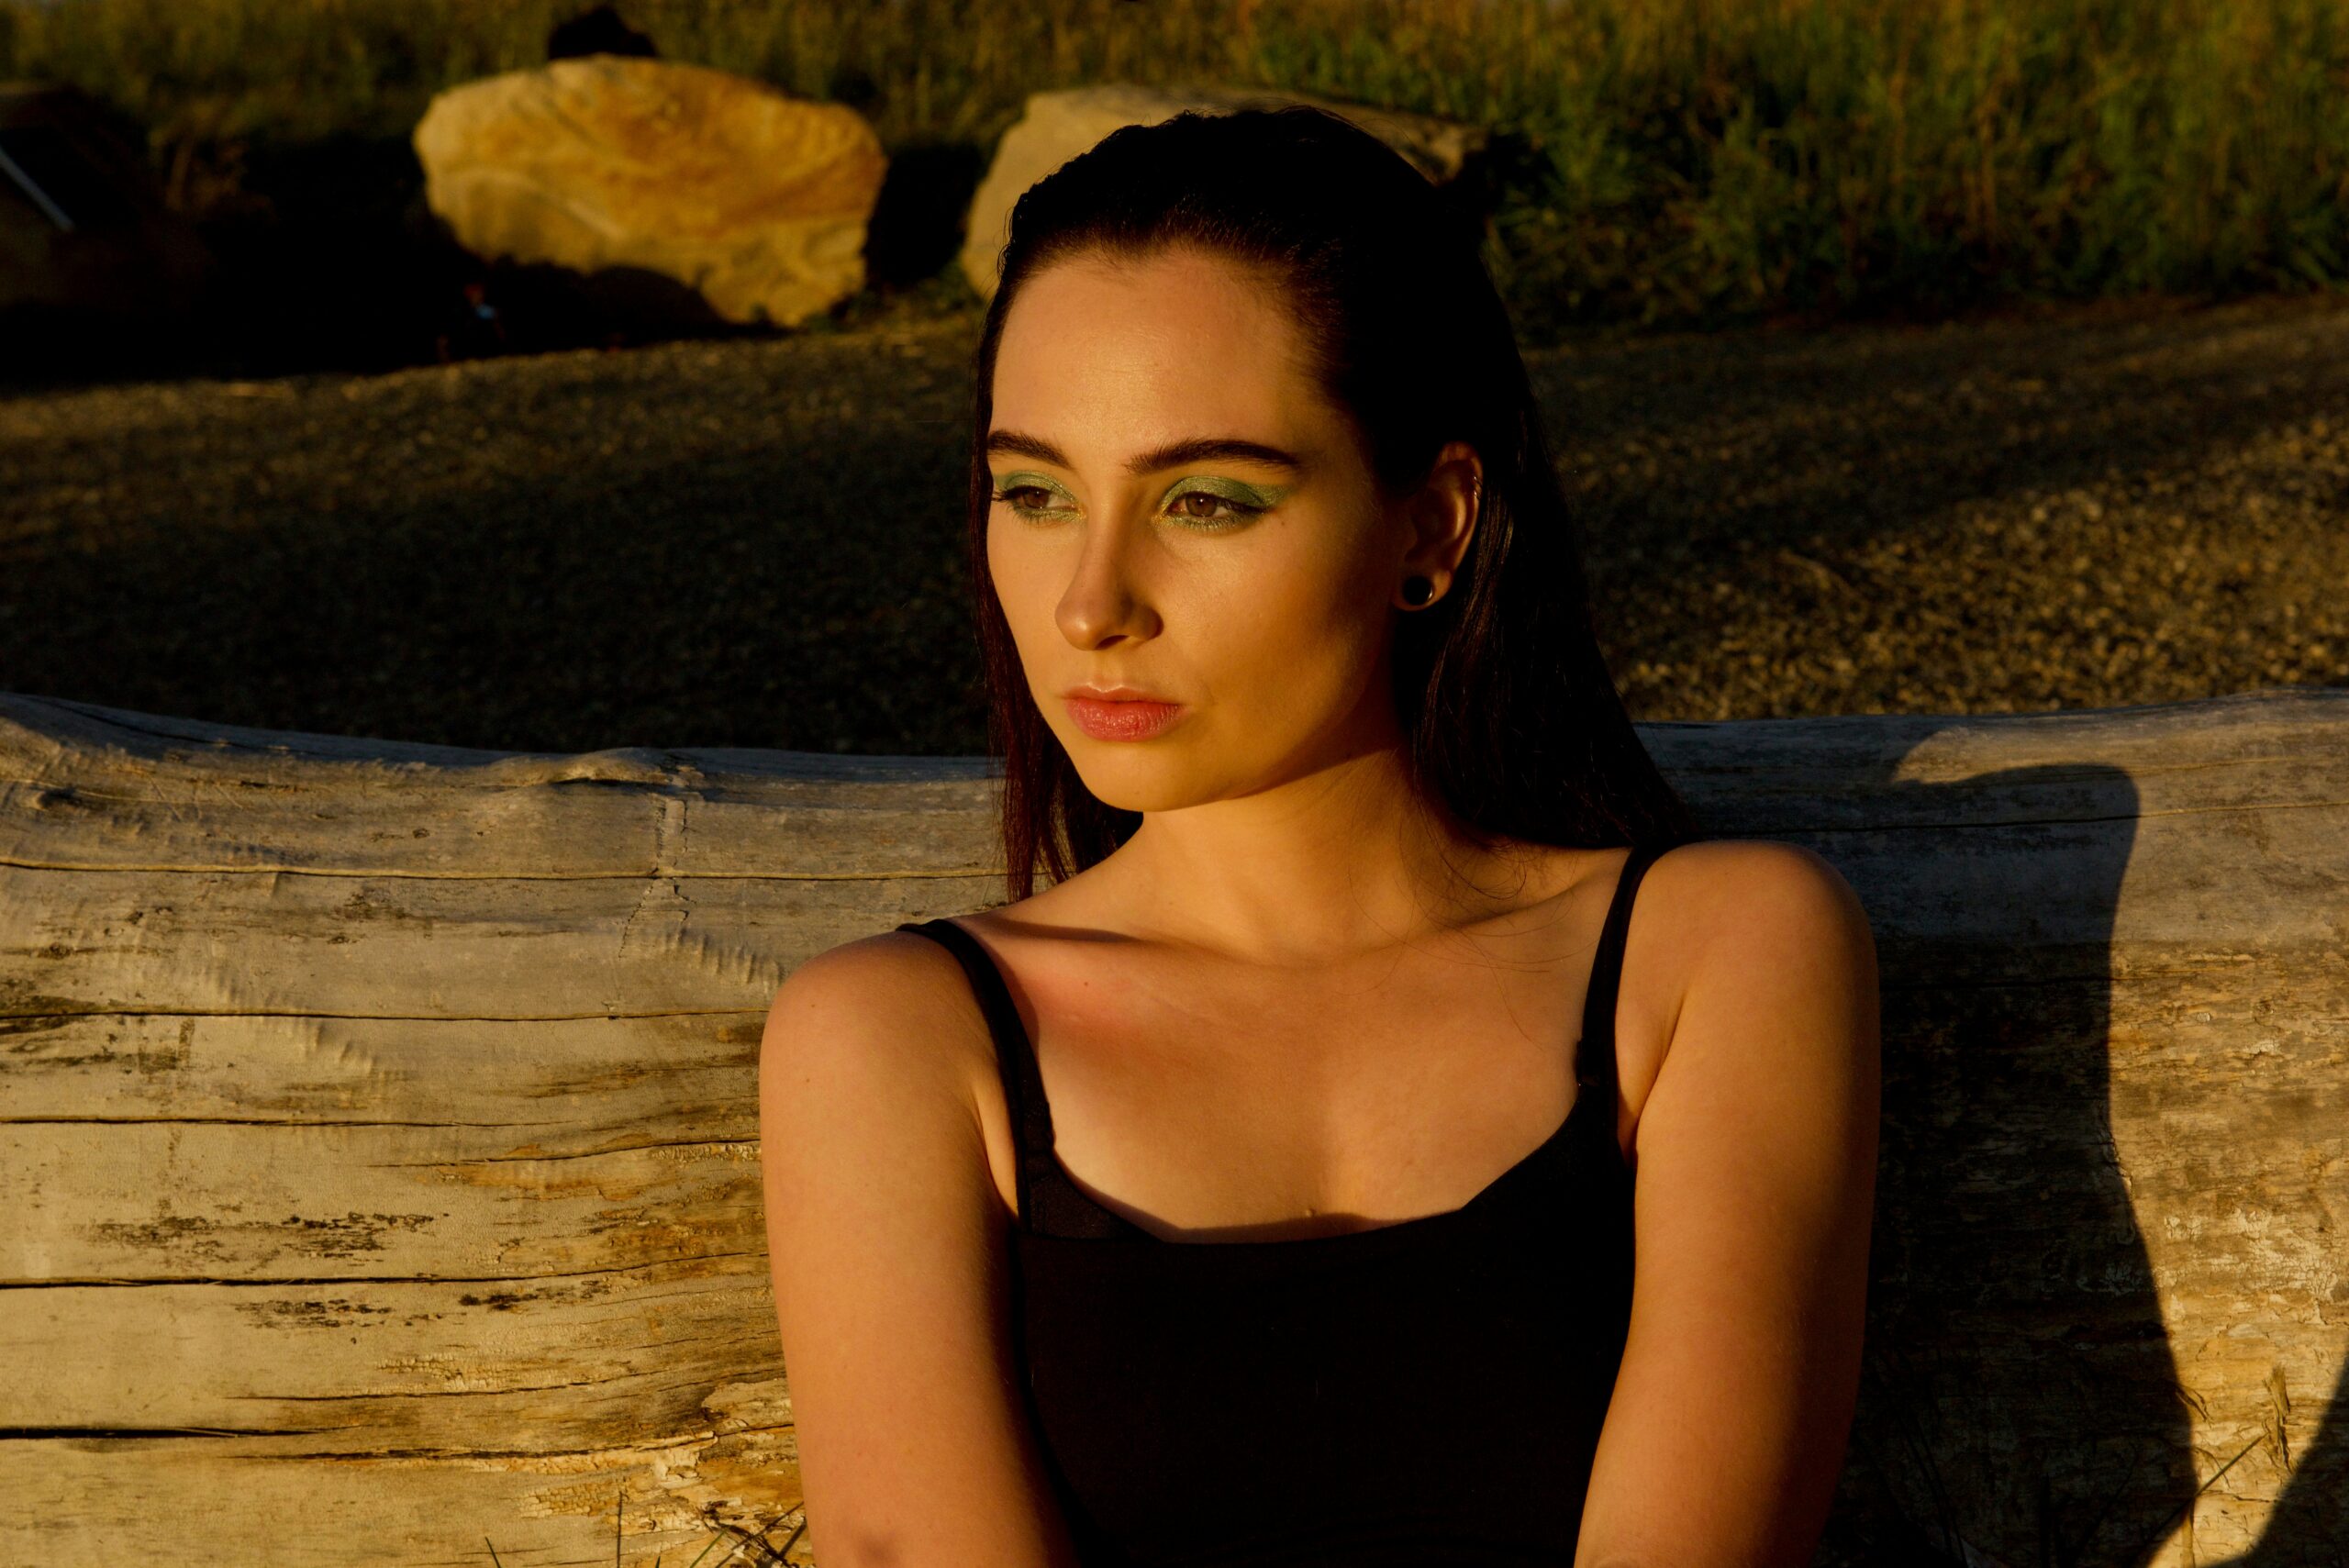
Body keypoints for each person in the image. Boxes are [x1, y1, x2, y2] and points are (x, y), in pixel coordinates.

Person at [759, 106, 1881, 1568]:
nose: (1090, 601)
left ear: (1432, 527)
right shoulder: (901, 1040)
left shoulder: (1715, 954)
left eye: (1206, 499)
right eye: (1034, 493)